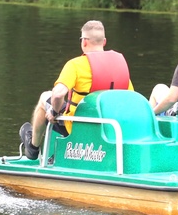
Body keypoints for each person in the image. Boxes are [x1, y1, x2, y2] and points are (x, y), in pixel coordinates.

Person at [19, 20, 133, 160]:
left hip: (78, 126)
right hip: (110, 128)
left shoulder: (75, 65)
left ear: (84, 42)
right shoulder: (119, 66)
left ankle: (33, 147)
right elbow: (130, 98)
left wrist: (54, 112)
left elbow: (58, 94)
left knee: (45, 97)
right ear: (104, 42)